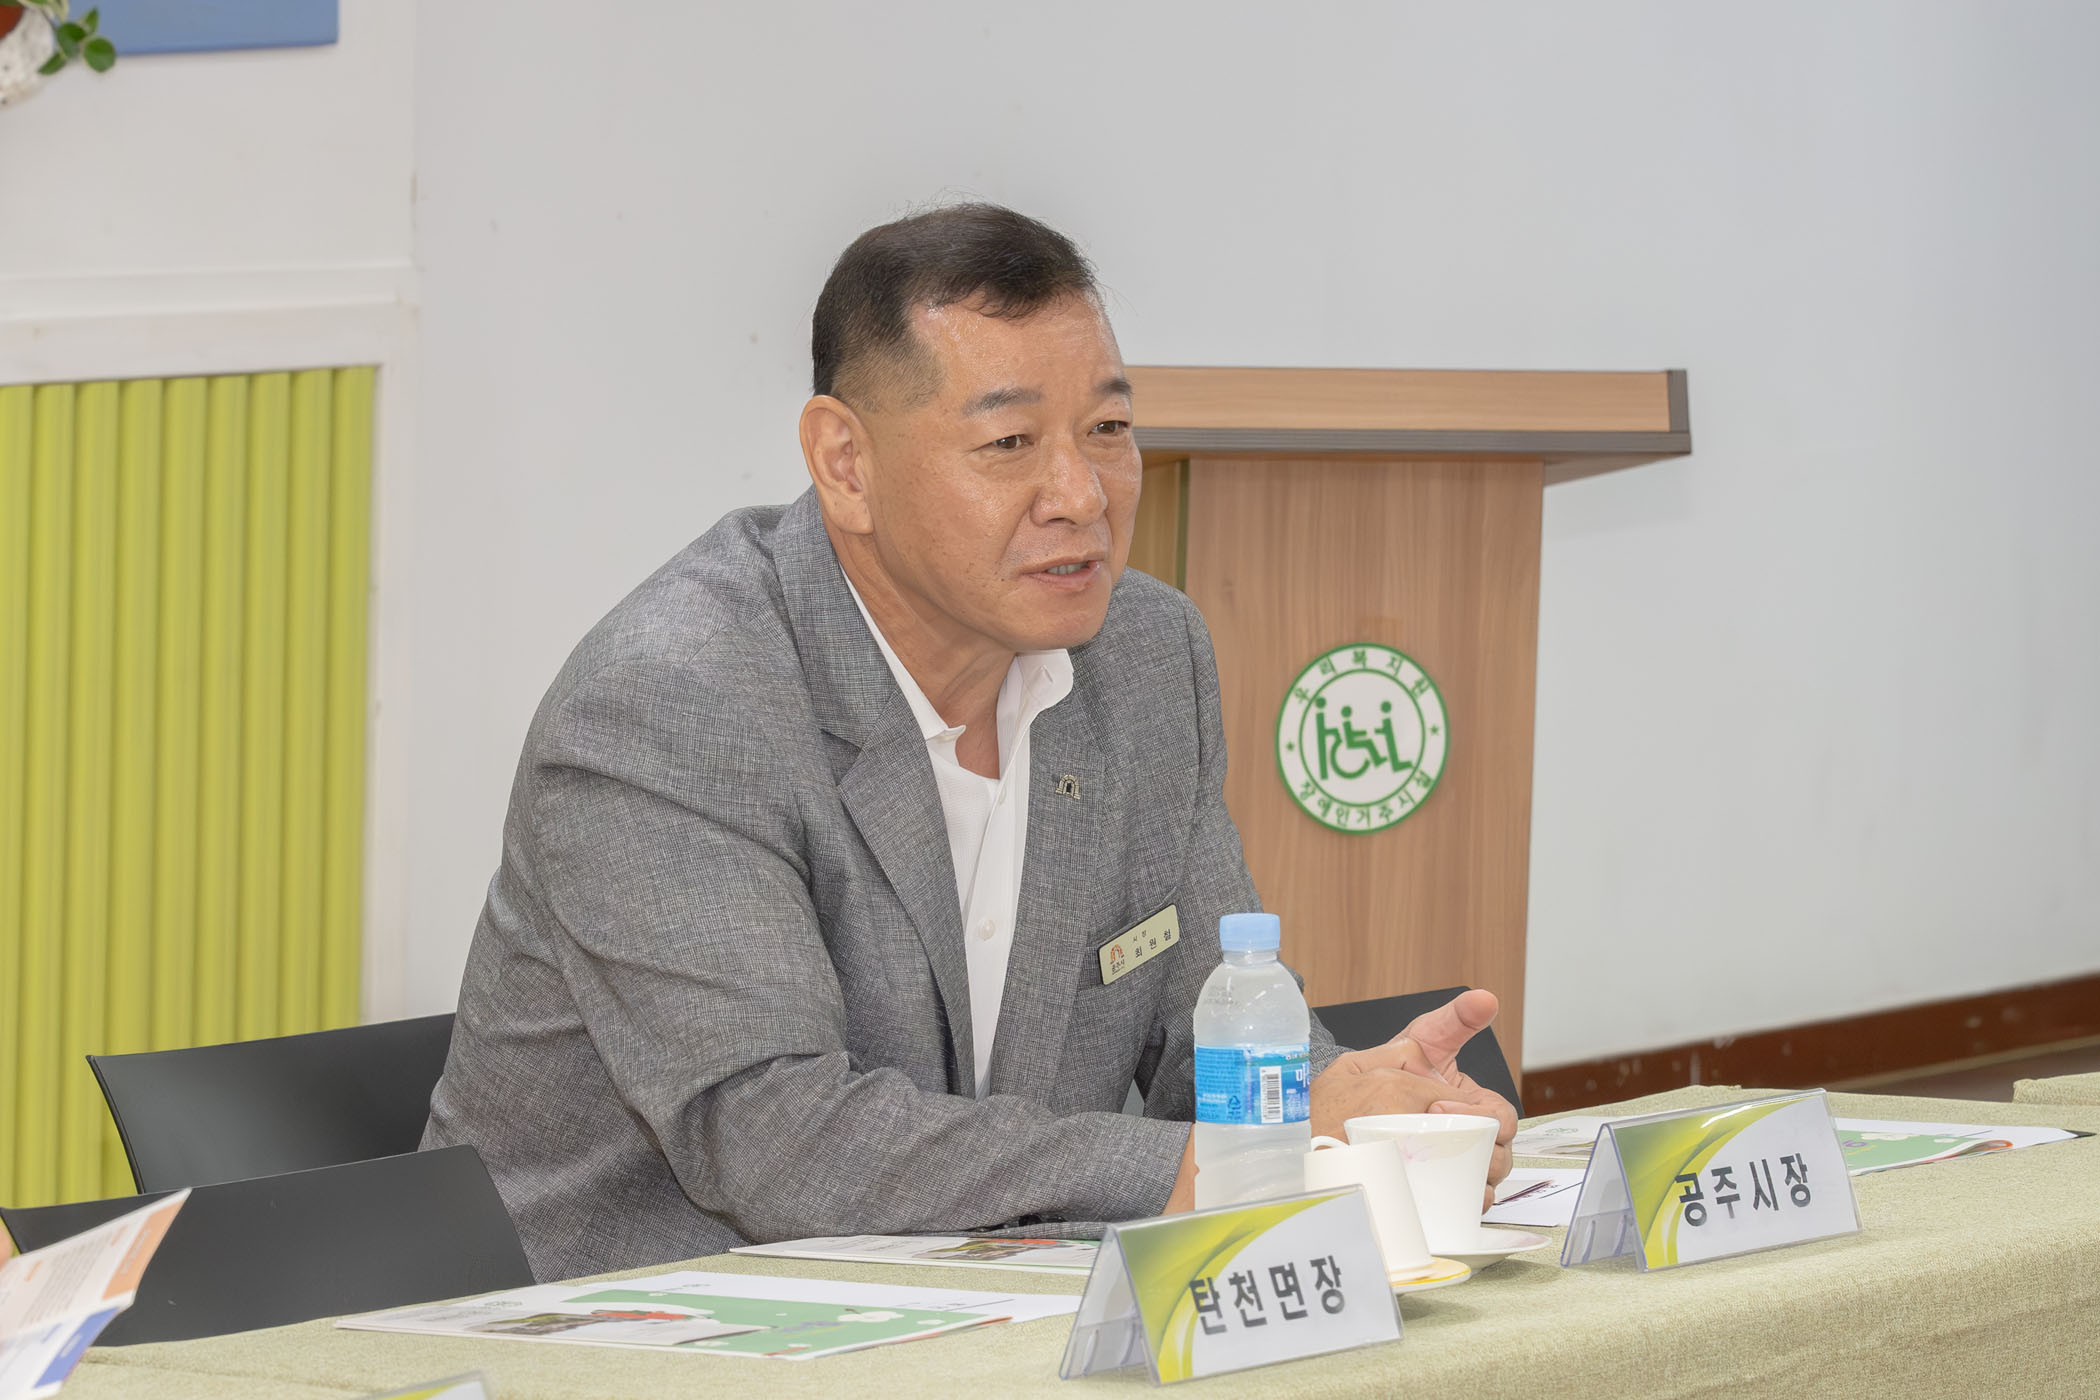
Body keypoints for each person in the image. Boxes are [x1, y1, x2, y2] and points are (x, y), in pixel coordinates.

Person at [424, 203, 1518, 1281]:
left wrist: (1349, 1111)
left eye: (1108, 430)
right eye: (1008, 443)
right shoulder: (676, 697)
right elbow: (775, 1135)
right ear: (845, 463)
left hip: (971, 1302)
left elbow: (1208, 1029)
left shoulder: (1143, 655)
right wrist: (1206, 1169)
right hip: (624, 1323)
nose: (1081, 494)